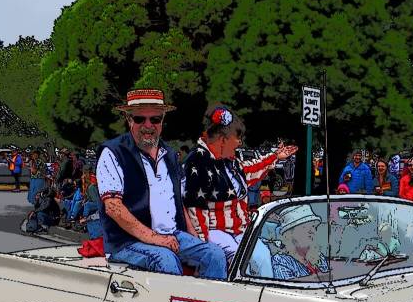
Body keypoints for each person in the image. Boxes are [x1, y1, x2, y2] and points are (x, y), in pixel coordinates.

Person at [97, 88, 226, 279]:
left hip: (172, 234)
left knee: (215, 255)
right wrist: (155, 238)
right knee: (165, 260)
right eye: (140, 119)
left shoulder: (170, 155)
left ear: (162, 120)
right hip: (128, 241)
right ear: (129, 119)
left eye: (155, 119)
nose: (148, 125)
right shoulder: (113, 152)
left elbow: (178, 202)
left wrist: (193, 236)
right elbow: (113, 207)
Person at [183, 104, 298, 267]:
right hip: (216, 233)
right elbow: (195, 210)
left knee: (267, 252)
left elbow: (250, 170)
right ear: (223, 139)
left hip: (238, 230)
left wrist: (275, 157)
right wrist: (202, 250)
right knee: (247, 261)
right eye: (238, 139)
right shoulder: (198, 162)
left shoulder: (229, 162)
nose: (240, 144)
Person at [271, 204, 329, 280]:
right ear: (289, 234)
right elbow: (289, 289)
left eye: (313, 226)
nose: (312, 231)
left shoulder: (319, 256)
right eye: (305, 227)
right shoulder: (281, 261)